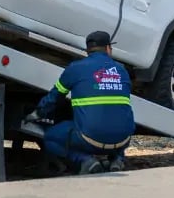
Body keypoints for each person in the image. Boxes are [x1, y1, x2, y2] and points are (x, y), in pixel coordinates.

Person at [26, 30, 136, 175]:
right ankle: (117, 159)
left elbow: (54, 98)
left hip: (89, 140)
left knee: (50, 138)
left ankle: (85, 160)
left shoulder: (75, 68)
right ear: (109, 48)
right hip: (124, 139)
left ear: (87, 50)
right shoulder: (122, 71)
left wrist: (36, 113)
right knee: (115, 121)